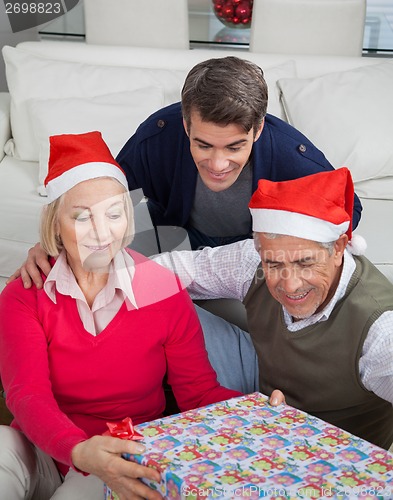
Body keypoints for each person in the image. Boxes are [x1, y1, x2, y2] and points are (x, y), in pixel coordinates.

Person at [0, 131, 284, 500]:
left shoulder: (163, 290)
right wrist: (75, 448)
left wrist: (254, 413)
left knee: (83, 489)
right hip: (40, 445)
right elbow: (26, 394)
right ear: (55, 223)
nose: (101, 233)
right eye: (81, 217)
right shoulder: (25, 294)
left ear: (128, 218)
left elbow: (198, 393)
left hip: (120, 448)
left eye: (113, 214)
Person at [155, 167, 393, 450]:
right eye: (274, 265)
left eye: (305, 263)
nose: (290, 285)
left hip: (326, 453)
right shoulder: (252, 261)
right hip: (261, 381)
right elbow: (164, 270)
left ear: (339, 247)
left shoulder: (381, 330)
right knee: (159, 297)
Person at [117, 55, 363, 249]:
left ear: (257, 130)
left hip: (251, 249)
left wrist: (287, 244)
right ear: (185, 125)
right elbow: (111, 188)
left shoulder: (290, 153)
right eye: (203, 145)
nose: (217, 164)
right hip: (175, 234)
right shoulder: (159, 134)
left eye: (234, 147)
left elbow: (351, 208)